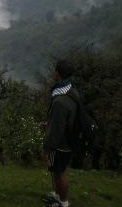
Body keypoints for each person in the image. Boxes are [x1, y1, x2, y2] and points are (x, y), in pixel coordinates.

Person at [42, 60, 79, 207]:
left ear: (58, 73)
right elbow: (65, 118)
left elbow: (56, 129)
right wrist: (49, 123)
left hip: (61, 144)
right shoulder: (71, 90)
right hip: (69, 138)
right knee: (58, 171)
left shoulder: (59, 101)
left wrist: (47, 148)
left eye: (55, 70)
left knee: (59, 173)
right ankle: (58, 196)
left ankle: (63, 202)